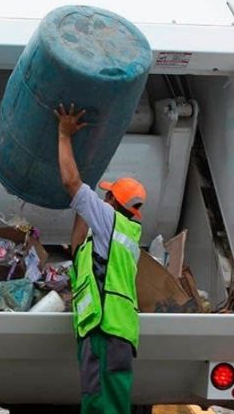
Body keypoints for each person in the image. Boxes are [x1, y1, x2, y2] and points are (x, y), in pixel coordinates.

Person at [55, 103, 146, 414]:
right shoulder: (124, 235)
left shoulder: (108, 221)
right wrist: (86, 202)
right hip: (114, 333)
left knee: (100, 406)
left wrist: (64, 135)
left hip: (105, 332)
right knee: (109, 403)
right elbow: (76, 243)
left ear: (110, 201)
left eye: (104, 195)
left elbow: (70, 183)